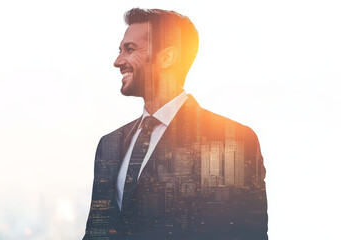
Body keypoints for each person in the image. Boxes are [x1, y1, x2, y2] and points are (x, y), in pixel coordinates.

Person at [83, 8, 268, 240]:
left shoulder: (230, 141)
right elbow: (96, 233)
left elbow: (246, 234)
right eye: (120, 51)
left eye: (130, 50)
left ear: (167, 57)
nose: (118, 61)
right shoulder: (109, 144)